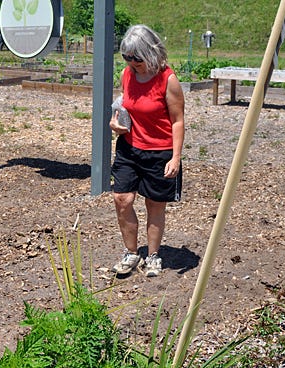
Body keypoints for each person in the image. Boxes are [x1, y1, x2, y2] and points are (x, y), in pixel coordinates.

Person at [110, 25, 185, 277]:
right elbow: (123, 104)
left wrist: (175, 157)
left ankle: (152, 255)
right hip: (129, 148)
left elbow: (177, 120)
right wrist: (114, 121)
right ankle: (131, 252)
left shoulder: (168, 80)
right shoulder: (127, 74)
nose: (131, 62)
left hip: (159, 152)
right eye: (126, 57)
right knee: (122, 199)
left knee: (154, 204)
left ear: (150, 52)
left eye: (136, 58)